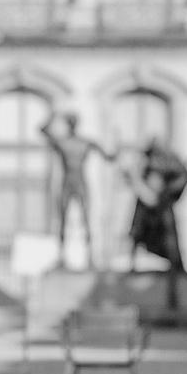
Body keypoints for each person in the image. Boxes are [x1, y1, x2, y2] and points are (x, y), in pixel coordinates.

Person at [44, 114, 108, 269]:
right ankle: (62, 256)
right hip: (68, 183)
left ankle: (90, 257)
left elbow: (109, 156)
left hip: (79, 182)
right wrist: (51, 117)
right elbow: (43, 131)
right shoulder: (64, 142)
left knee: (86, 220)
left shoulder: (83, 142)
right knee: (63, 220)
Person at [124, 135, 187, 272]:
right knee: (137, 230)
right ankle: (131, 263)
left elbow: (183, 176)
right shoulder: (145, 161)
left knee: (169, 233)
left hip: (162, 203)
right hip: (145, 202)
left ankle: (176, 266)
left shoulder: (170, 161)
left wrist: (168, 192)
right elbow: (136, 177)